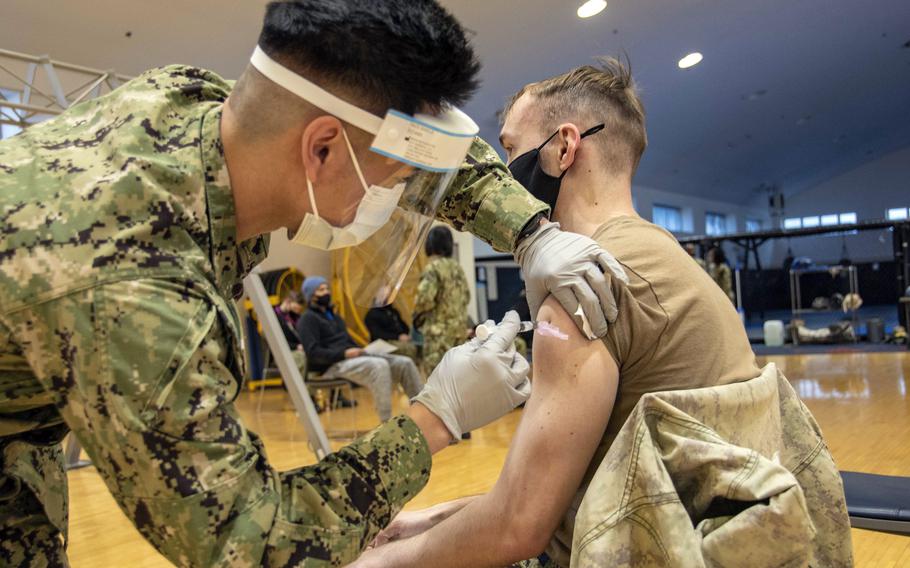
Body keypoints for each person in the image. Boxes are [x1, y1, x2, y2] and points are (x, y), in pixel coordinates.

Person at [0, 1, 626, 565]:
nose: (395, 193)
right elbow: (250, 541)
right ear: (322, 151)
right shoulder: (131, 287)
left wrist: (530, 231)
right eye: (393, 178)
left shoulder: (194, 107)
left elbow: (414, 144)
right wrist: (435, 418)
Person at [354, 58, 766, 568]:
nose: (505, 173)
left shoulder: (581, 292)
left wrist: (377, 563)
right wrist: (426, 520)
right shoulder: (660, 251)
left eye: (509, 148)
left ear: (565, 147)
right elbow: (568, 499)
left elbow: (520, 527)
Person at [297, 276, 423, 422]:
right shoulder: (307, 319)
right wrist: (344, 354)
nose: (326, 292)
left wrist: (363, 350)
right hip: (331, 365)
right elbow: (313, 353)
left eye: (327, 288)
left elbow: (348, 343)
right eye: (321, 290)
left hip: (351, 358)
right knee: (379, 365)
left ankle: (422, 412)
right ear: (311, 295)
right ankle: (386, 423)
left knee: (405, 363)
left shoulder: (336, 318)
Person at [413, 226, 470, 376]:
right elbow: (467, 297)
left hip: (438, 338)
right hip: (459, 334)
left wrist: (418, 316)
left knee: (437, 382)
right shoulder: (458, 268)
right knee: (458, 380)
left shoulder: (433, 268)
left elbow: (423, 300)